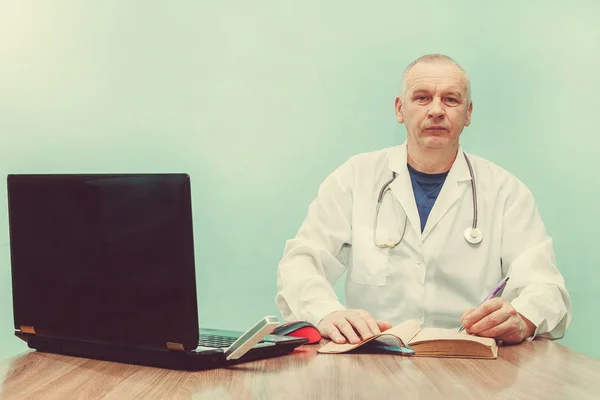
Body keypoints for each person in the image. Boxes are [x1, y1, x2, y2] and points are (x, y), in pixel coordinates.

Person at [275, 54, 571, 345]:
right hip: (374, 356)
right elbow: (301, 262)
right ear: (400, 109)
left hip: (471, 363)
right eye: (422, 98)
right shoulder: (354, 178)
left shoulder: (507, 192)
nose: (436, 111)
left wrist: (521, 317)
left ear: (468, 114)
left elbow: (546, 287)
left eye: (451, 100)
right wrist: (327, 313)